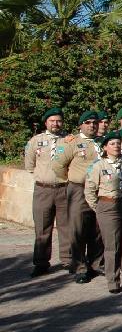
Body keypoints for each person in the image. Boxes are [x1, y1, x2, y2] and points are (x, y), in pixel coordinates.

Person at [52, 110, 102, 284]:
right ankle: (80, 267)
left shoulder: (102, 142)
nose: (92, 126)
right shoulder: (72, 142)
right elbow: (58, 165)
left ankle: (96, 263)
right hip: (79, 189)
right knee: (78, 228)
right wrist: (71, 179)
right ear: (81, 125)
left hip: (100, 190)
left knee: (98, 228)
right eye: (88, 123)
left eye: (95, 123)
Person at [84, 131, 122, 293]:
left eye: (118, 143)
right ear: (105, 147)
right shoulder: (99, 165)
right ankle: (113, 281)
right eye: (112, 144)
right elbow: (90, 190)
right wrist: (98, 208)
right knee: (113, 245)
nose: (116, 146)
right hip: (108, 206)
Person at [24, 107, 71, 277]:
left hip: (64, 189)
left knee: (66, 227)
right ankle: (41, 263)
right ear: (46, 123)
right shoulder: (35, 141)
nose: (55, 124)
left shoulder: (69, 140)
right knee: (42, 228)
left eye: (58, 121)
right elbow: (29, 165)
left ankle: (67, 260)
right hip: (43, 190)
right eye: (52, 121)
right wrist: (44, 177)